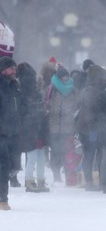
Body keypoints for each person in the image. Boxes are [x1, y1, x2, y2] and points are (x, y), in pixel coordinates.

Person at [17, 62, 50, 193]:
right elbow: (39, 110)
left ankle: (32, 180)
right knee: (37, 156)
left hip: (32, 127)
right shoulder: (34, 92)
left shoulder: (22, 92)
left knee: (34, 156)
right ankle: (35, 180)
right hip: (35, 127)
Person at [75, 65, 106, 191]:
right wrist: (93, 129)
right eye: (103, 76)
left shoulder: (91, 89)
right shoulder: (92, 91)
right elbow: (89, 113)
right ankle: (89, 181)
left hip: (90, 128)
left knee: (95, 154)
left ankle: (97, 180)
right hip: (90, 129)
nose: (105, 79)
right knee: (90, 155)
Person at [45, 65, 79, 186]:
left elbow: (77, 105)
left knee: (67, 151)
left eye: (66, 76)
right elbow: (46, 104)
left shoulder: (73, 89)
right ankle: (56, 174)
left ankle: (67, 174)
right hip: (54, 126)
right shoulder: (51, 89)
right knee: (55, 151)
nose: (65, 78)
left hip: (68, 125)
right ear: (58, 78)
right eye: (63, 76)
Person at [0, 56, 20, 210]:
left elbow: (18, 109)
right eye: (12, 68)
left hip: (12, 132)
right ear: (3, 70)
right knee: (2, 166)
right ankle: (3, 199)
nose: (15, 71)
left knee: (10, 167)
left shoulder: (15, 86)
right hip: (2, 132)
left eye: (15, 68)